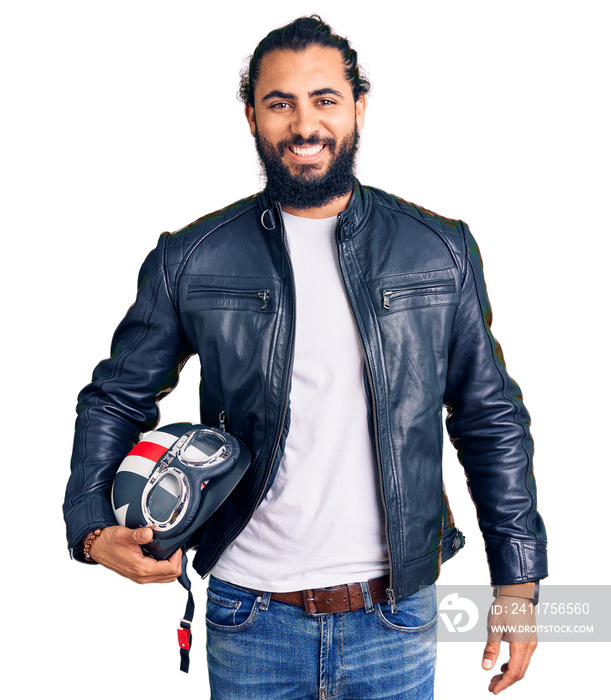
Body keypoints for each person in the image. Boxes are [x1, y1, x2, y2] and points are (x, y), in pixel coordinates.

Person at [63, 15, 547, 699]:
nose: (304, 125)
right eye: (279, 102)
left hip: (395, 616)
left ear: (358, 107)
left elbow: (487, 415)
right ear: (250, 116)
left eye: (323, 99)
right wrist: (89, 525)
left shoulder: (438, 251)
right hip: (249, 615)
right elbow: (115, 396)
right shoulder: (193, 257)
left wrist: (517, 583)